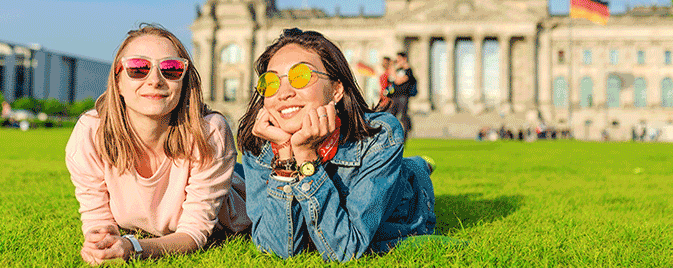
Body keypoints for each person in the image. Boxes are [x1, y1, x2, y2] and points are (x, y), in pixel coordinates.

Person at [237, 28, 436, 261]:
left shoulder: (379, 135)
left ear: (336, 90)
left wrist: (306, 157)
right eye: (270, 82)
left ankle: (418, 167)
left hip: (406, 196)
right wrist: (285, 159)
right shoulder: (259, 143)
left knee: (410, 171)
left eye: (300, 76)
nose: (284, 93)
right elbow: (277, 249)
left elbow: (343, 249)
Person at [65, 25, 250, 265]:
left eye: (171, 69)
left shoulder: (209, 132)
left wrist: (134, 247)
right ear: (118, 80)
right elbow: (97, 219)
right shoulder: (90, 132)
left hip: (233, 190)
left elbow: (194, 232)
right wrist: (102, 241)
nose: (154, 80)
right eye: (138, 68)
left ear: (184, 81)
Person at [387, 52, 416, 140]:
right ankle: (392, 136)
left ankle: (405, 136)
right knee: (392, 115)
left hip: (403, 96)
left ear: (404, 59)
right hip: (394, 96)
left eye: (399, 59)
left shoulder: (408, 70)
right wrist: (392, 67)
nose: (397, 61)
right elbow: (390, 78)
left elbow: (399, 81)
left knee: (403, 115)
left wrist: (394, 73)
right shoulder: (397, 70)